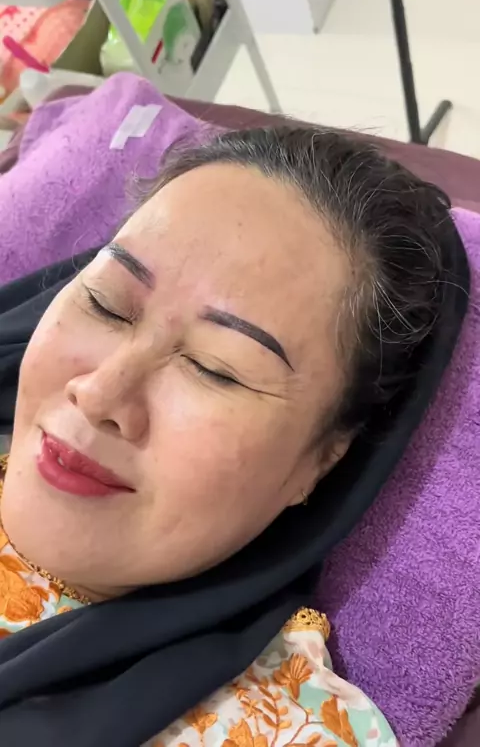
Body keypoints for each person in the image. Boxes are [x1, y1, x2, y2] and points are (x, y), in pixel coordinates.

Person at [0, 126, 469, 747]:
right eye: (107, 303)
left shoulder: (274, 730)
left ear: (322, 460)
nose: (101, 393)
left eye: (215, 368)